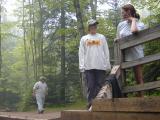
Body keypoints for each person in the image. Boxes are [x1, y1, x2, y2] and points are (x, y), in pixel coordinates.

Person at [79, 19, 111, 109]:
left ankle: (100, 103)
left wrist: (107, 64)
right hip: (88, 67)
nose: (94, 27)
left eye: (95, 25)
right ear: (89, 27)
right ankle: (90, 104)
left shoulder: (101, 37)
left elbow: (106, 51)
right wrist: (81, 66)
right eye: (92, 25)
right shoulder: (84, 38)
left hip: (100, 66)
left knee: (100, 85)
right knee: (90, 86)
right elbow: (81, 53)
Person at [116, 4, 146, 96]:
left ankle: (141, 99)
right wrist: (116, 40)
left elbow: (134, 31)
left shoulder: (140, 24)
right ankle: (125, 98)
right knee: (122, 78)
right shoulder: (121, 25)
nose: (122, 15)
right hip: (124, 55)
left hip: (136, 54)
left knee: (138, 78)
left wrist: (133, 20)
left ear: (129, 12)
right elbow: (117, 37)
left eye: (123, 13)